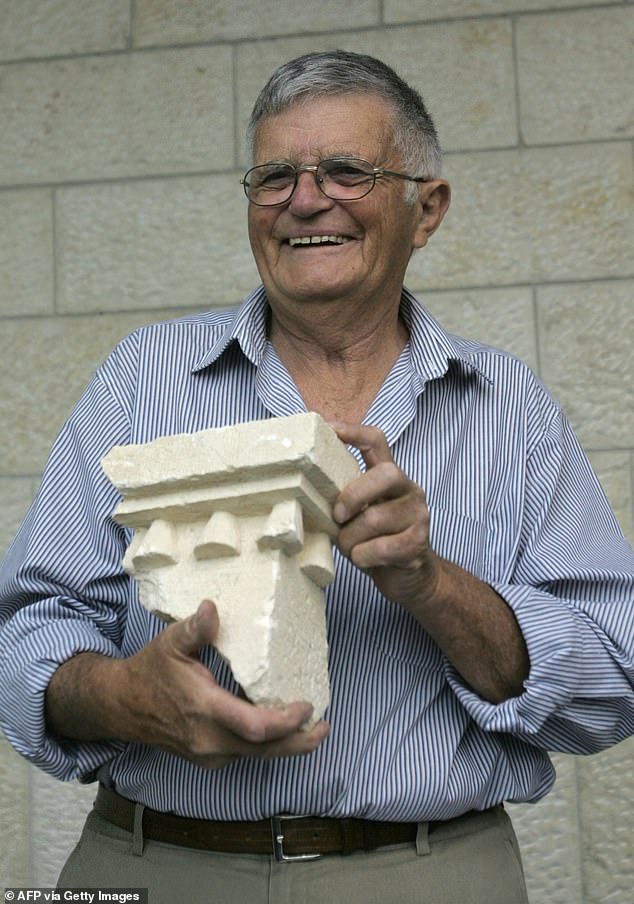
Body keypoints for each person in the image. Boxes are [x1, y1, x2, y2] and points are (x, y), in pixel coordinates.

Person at [1, 49, 632, 904]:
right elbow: (27, 629)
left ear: (428, 207)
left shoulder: (510, 406)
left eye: (346, 170)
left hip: (431, 874)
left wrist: (430, 584)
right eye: (274, 176)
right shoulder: (140, 377)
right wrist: (120, 696)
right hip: (152, 865)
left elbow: (614, 678)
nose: (305, 199)